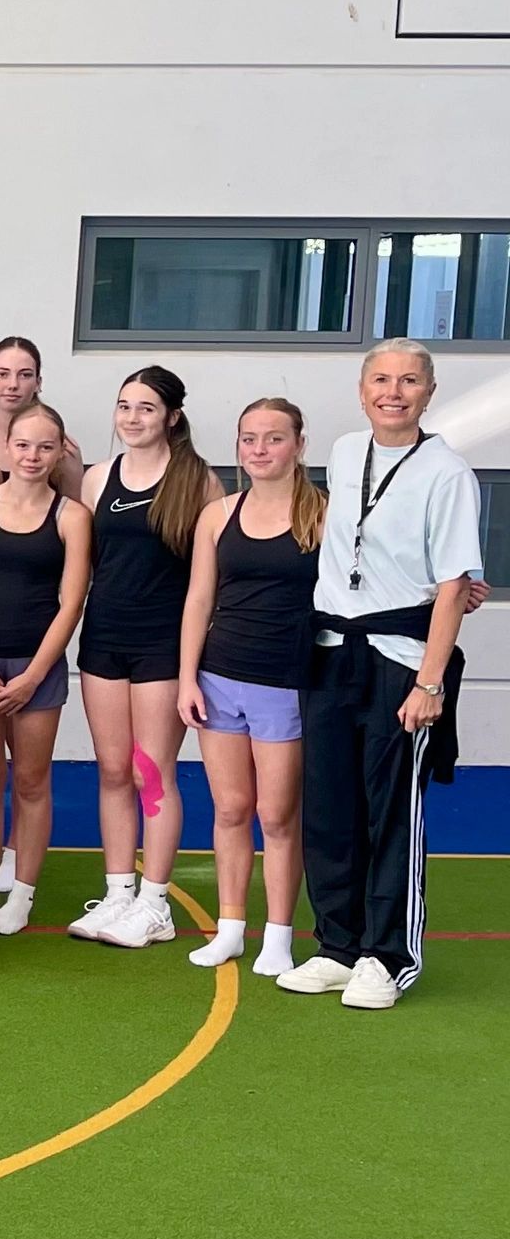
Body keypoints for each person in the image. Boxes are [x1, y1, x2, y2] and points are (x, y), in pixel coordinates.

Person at [278, 341, 484, 1010]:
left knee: (391, 811)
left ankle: (387, 957)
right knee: (329, 807)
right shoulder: (344, 453)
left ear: (429, 392)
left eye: (409, 381)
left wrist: (430, 683)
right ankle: (338, 946)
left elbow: (454, 584)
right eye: (382, 380)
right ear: (362, 388)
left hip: (400, 661)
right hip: (331, 651)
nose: (393, 392)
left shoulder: (448, 473)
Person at [70, 366, 219, 948]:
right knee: (112, 770)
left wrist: (191, 664)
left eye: (146, 408)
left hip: (163, 645)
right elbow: (85, 565)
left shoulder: (198, 482)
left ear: (172, 417)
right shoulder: (97, 478)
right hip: (104, 640)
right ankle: (118, 894)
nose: (132, 418)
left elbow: (210, 579)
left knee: (149, 773)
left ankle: (155, 903)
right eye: (124, 406)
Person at [178, 398, 320, 976]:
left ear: (299, 445)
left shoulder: (322, 514)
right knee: (231, 808)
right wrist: (187, 677)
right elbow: (198, 600)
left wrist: (452, 590)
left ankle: (279, 935)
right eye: (249, 438)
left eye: (274, 438)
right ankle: (231, 927)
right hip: (218, 679)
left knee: (277, 815)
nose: (260, 449)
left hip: (284, 684)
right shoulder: (218, 515)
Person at [0, 402, 90, 935]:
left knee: (30, 781)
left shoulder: (71, 517)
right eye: (23, 445)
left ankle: (21, 895)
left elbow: (70, 604)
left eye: (45, 447)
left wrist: (32, 677)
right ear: (6, 448)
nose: (32, 456)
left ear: (59, 452)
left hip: (36, 667)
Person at [0, 336, 83, 496]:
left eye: (25, 375)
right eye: (2, 374)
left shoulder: (64, 451)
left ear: (38, 383)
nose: (13, 385)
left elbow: (74, 507)